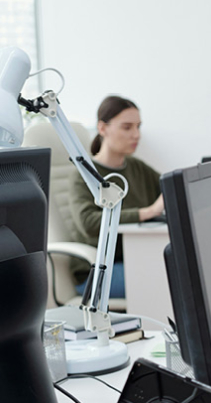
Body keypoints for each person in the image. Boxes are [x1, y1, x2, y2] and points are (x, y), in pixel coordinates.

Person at [67, 95, 165, 298]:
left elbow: (170, 185)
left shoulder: (137, 167)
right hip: (99, 272)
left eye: (138, 127)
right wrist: (147, 212)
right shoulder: (84, 174)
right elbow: (89, 223)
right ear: (102, 128)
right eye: (127, 127)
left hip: (137, 258)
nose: (136, 135)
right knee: (168, 279)